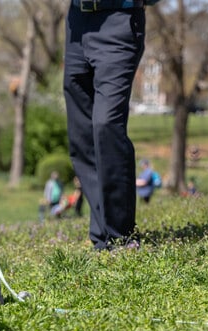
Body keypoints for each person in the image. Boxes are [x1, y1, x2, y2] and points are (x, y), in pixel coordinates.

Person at [63, 0, 161, 250]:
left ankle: (121, 236)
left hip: (119, 17)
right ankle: (101, 237)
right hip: (77, 23)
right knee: (82, 134)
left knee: (106, 124)